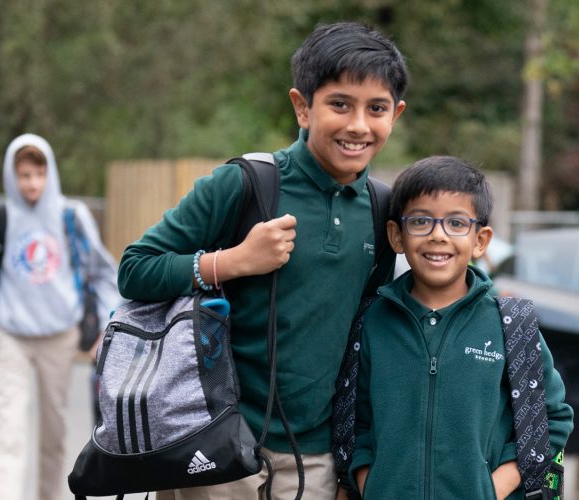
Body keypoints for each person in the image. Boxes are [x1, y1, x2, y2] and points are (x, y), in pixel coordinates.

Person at [117, 21, 408, 500]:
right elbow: (135, 269)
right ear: (302, 107)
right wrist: (233, 261)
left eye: (375, 108)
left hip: (314, 457)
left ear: (395, 114)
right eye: (339, 104)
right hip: (216, 439)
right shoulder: (244, 183)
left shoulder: (382, 210)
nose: (358, 125)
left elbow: (366, 335)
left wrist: (350, 459)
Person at [349, 156, 574, 499]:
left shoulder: (510, 325)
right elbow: (355, 422)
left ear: (480, 240)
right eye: (421, 221)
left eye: (456, 223)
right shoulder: (372, 322)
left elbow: (551, 417)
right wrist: (371, 483)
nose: (438, 235)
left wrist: (493, 489)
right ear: (396, 235)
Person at [0, 133, 122, 500]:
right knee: (10, 429)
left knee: (54, 431)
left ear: (51, 174)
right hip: (11, 336)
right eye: (25, 175)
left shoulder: (71, 216)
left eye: (39, 174)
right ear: (12, 175)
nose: (32, 183)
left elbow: (104, 273)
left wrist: (105, 324)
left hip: (60, 336)